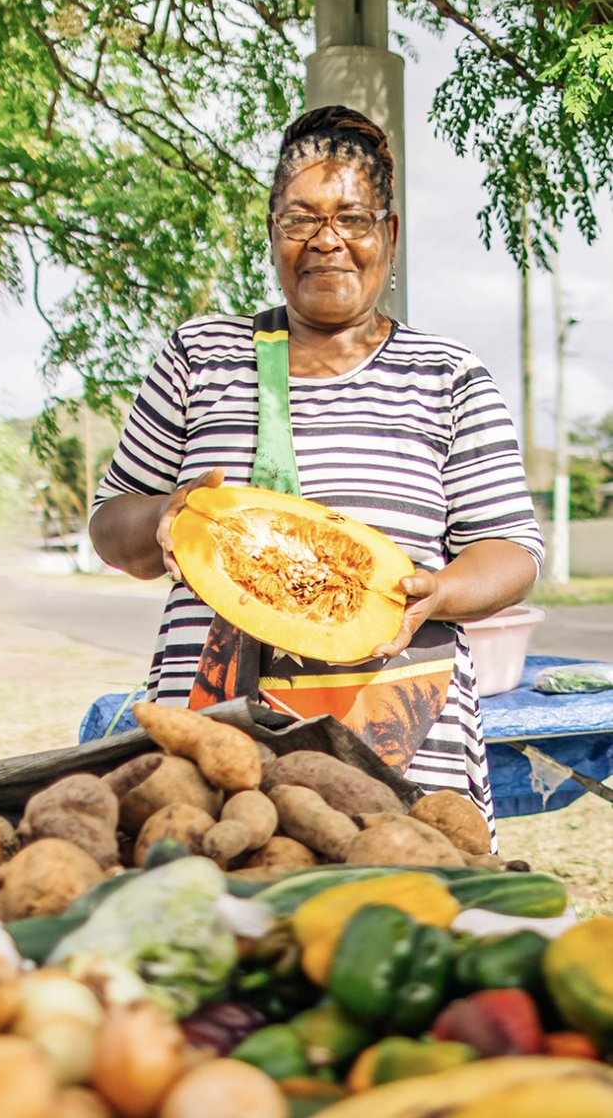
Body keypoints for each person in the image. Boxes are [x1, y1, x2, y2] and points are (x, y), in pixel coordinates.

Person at [89, 105, 544, 835]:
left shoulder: (447, 375)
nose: (326, 240)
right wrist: (164, 516)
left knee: (399, 915)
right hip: (218, 738)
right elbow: (111, 522)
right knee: (229, 917)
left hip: (402, 738)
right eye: (299, 219)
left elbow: (512, 549)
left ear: (387, 234)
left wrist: (440, 591)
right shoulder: (199, 355)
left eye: (352, 218)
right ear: (271, 232)